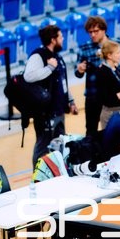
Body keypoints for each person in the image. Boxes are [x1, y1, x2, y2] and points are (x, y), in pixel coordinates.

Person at [23, 24, 78, 167]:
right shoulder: (38, 55)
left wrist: (70, 100)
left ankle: (58, 172)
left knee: (60, 144)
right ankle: (38, 176)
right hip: (45, 113)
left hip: (59, 110)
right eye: (60, 37)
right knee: (43, 146)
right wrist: (49, 68)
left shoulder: (57, 57)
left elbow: (62, 82)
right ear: (53, 39)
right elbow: (28, 76)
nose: (63, 39)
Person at [74, 15, 120, 137]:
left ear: (104, 30)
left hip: (113, 98)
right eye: (90, 32)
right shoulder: (85, 47)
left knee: (116, 129)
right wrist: (80, 70)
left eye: (96, 31)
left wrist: (114, 61)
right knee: (91, 131)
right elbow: (77, 74)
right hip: (93, 96)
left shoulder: (116, 45)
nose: (93, 35)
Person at [95, 40, 120, 131]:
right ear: (109, 55)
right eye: (118, 52)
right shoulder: (102, 72)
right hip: (110, 114)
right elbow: (106, 98)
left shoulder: (114, 68)